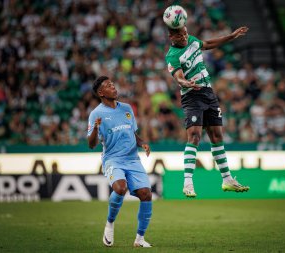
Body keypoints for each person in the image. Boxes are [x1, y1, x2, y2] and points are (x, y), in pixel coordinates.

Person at [165, 23, 250, 198]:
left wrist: (232, 35)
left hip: (208, 93)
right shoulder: (172, 56)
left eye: (185, 33)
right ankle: (187, 182)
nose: (184, 37)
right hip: (191, 95)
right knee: (194, 136)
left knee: (217, 136)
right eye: (180, 35)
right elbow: (178, 77)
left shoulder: (193, 41)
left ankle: (227, 180)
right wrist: (185, 83)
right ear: (171, 37)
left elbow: (210, 44)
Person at [87, 76, 153, 247]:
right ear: (101, 93)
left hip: (132, 159)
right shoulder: (96, 114)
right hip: (113, 159)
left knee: (146, 193)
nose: (113, 87)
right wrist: (95, 128)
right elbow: (91, 144)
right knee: (120, 187)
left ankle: (140, 239)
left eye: (113, 84)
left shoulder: (127, 108)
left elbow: (133, 134)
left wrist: (142, 143)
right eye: (108, 86)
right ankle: (109, 224)